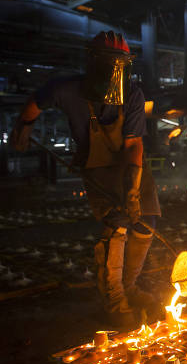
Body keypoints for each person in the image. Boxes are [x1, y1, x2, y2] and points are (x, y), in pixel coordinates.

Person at [10, 31, 161, 327]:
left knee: (147, 222)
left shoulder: (132, 94)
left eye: (122, 66)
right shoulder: (66, 89)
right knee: (117, 223)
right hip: (96, 168)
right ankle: (115, 298)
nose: (116, 73)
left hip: (132, 166)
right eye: (110, 65)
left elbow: (133, 145)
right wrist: (24, 125)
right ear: (95, 64)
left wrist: (132, 191)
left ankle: (130, 286)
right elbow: (35, 102)